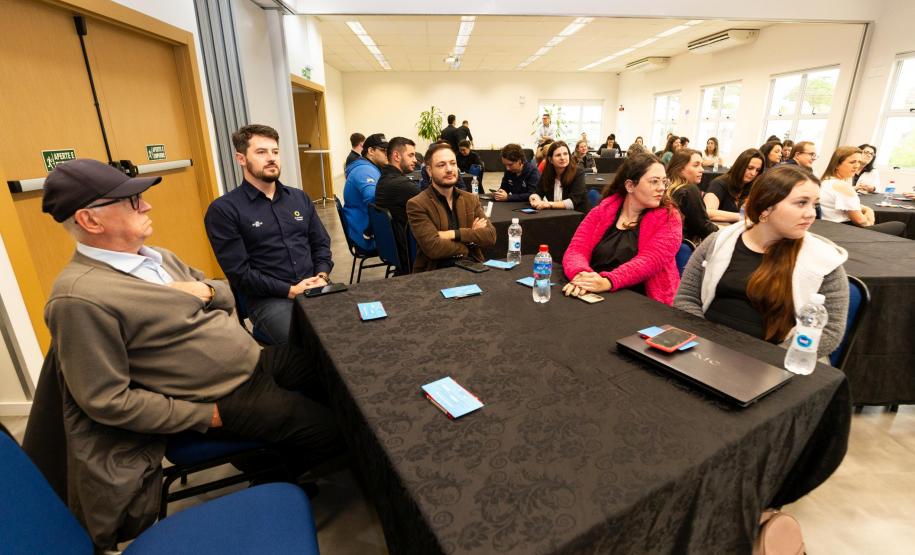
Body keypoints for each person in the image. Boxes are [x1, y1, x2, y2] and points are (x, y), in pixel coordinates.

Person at [43, 158, 345, 492]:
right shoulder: (79, 298)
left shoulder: (156, 257)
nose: (146, 204)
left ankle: (277, 458)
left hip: (253, 362)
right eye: (131, 201)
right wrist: (204, 417)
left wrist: (204, 291)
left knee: (338, 367)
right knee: (336, 431)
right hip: (220, 396)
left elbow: (226, 294)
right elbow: (107, 401)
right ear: (90, 220)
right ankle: (278, 475)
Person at [675, 165, 849, 358]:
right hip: (703, 350)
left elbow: (829, 330)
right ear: (766, 207)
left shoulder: (824, 261)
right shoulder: (719, 241)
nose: (811, 213)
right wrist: (703, 344)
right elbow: (686, 298)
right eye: (801, 203)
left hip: (772, 362)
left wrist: (771, 359)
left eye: (814, 204)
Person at [205, 124, 333, 344]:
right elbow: (240, 273)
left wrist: (321, 276)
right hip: (271, 299)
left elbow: (320, 244)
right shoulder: (224, 210)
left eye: (275, 151)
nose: (271, 158)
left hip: (316, 286)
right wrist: (291, 290)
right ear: (241, 158)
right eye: (261, 152)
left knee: (357, 327)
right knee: (313, 344)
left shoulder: (299, 198)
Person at [562, 152, 682, 305]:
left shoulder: (670, 218)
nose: (661, 188)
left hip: (643, 303)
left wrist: (608, 281)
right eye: (654, 181)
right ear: (630, 186)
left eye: (664, 181)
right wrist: (582, 275)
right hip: (595, 294)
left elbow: (649, 261)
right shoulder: (603, 211)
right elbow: (576, 249)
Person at [407, 143, 496, 272]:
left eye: (453, 163)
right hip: (435, 272)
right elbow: (433, 247)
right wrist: (468, 243)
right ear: (429, 171)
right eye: (441, 165)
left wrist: (452, 234)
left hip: (472, 268)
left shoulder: (470, 199)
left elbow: (490, 236)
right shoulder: (417, 204)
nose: (449, 169)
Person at [819, 146, 906, 236]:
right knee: (899, 225)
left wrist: (864, 208)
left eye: (859, 162)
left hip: (829, 228)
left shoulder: (825, 181)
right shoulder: (843, 186)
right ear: (837, 164)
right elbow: (861, 222)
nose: (857, 166)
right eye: (852, 162)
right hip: (845, 231)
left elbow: (843, 204)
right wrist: (869, 212)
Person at [375, 137, 419, 272]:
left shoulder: (384, 179)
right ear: (396, 156)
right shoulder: (402, 185)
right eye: (411, 155)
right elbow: (432, 207)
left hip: (394, 250)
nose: (415, 160)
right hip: (410, 252)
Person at [342, 133, 388, 251]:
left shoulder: (368, 167)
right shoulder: (365, 170)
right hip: (365, 237)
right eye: (383, 150)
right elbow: (374, 200)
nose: (387, 154)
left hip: (360, 228)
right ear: (371, 151)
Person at [666, 148, 718, 244]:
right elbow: (705, 228)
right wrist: (725, 232)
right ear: (680, 168)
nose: (702, 170)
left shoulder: (667, 188)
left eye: (701, 165)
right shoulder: (689, 190)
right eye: (696, 165)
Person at [704, 148, 764, 223]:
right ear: (740, 166)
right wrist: (742, 217)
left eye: (757, 170)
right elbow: (708, 212)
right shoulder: (719, 183)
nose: (753, 173)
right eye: (750, 168)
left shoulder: (750, 187)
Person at [530, 141, 588, 213]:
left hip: (577, 216)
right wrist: (534, 198)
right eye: (558, 155)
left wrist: (549, 204)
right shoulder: (547, 173)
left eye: (565, 154)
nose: (563, 158)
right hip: (555, 215)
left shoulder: (578, 173)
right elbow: (538, 192)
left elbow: (573, 202)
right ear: (550, 159)